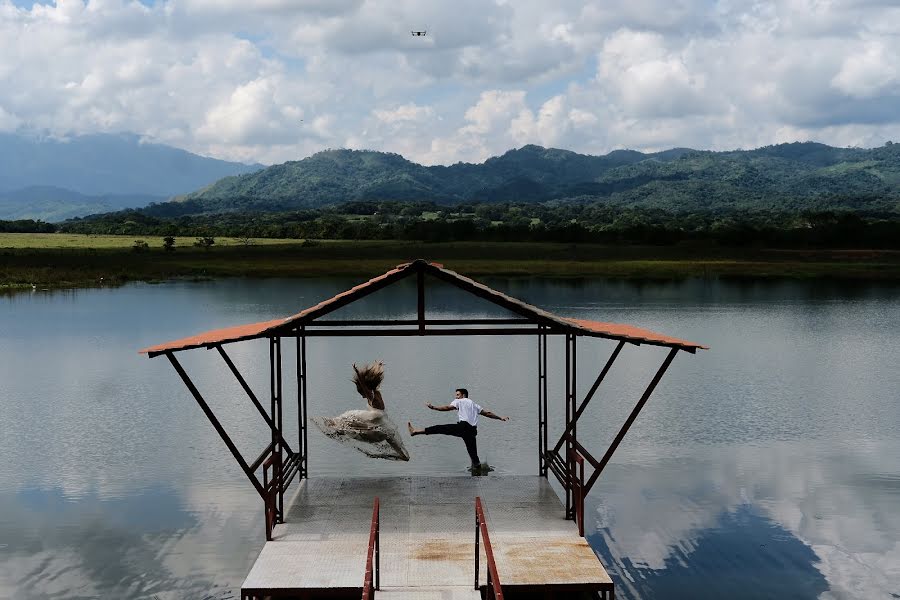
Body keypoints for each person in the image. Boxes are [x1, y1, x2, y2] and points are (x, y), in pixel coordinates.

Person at [407, 388, 509, 469]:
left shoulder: (460, 401)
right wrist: (500, 418)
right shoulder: (475, 405)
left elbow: (447, 407)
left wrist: (433, 407)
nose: (455, 397)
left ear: (463, 395)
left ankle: (415, 431)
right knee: (474, 456)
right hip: (472, 431)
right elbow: (488, 413)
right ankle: (477, 474)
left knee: (439, 428)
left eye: (457, 395)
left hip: (463, 427)